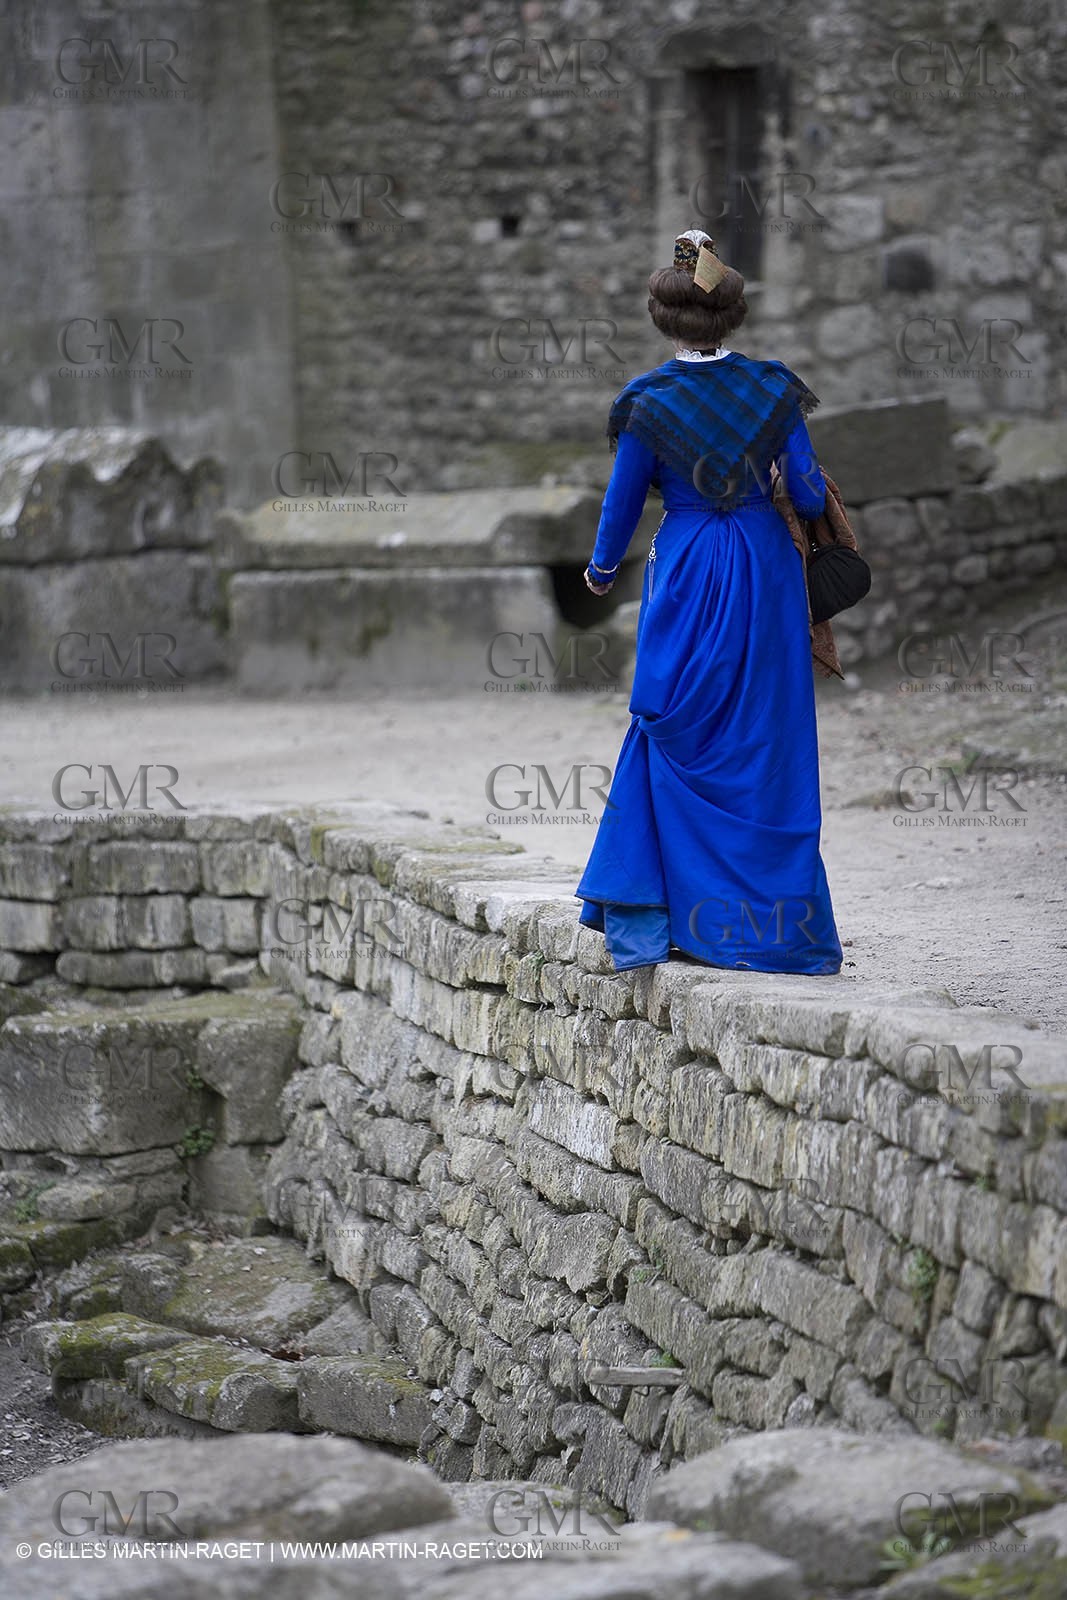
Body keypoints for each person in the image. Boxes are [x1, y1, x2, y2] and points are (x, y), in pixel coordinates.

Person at [575, 228, 842, 975]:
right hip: (764, 566)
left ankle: (675, 913)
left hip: (689, 565)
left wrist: (600, 571)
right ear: (733, 315)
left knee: (678, 724)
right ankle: (776, 926)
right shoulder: (774, 389)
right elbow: (809, 494)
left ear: (663, 318)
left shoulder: (648, 402)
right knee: (766, 731)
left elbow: (622, 505)